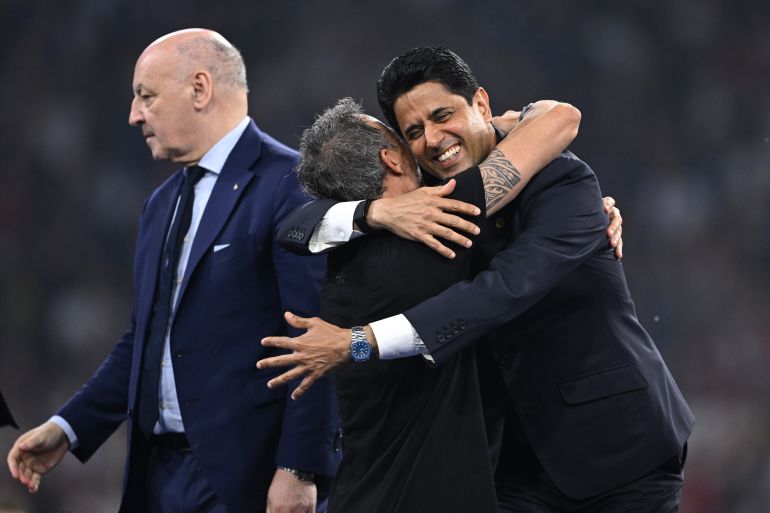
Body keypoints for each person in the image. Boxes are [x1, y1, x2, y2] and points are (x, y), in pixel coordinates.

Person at [259, 46, 693, 513]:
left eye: (443, 115)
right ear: (401, 152)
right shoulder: (422, 207)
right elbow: (295, 227)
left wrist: (358, 341)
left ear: (481, 104)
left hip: (616, 449)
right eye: (414, 132)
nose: (432, 138)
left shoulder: (562, 182)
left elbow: (502, 291)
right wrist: (375, 211)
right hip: (509, 469)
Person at [6, 29, 340, 513]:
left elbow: (318, 339)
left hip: (248, 481)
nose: (134, 114)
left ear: (200, 89)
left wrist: (300, 469)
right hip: (157, 477)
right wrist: (69, 427)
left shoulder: (290, 187)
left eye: (146, 96)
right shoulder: (160, 205)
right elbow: (145, 339)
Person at [287, 96, 580, 513]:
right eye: (404, 138)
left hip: (360, 494)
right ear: (391, 159)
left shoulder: (343, 254)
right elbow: (559, 119)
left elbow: (292, 227)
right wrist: (575, 211)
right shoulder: (441, 224)